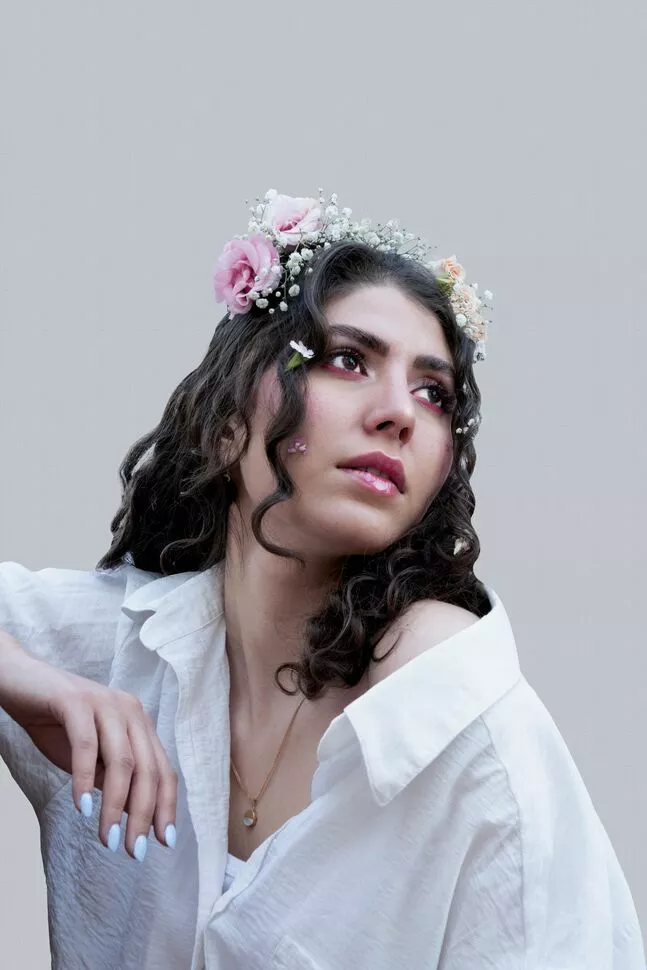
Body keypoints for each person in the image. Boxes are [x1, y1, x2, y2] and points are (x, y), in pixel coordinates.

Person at [0, 188, 644, 970]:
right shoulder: (117, 651)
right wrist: (31, 682)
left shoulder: (469, 732)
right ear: (227, 419)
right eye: (347, 359)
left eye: (433, 393)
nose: (398, 412)